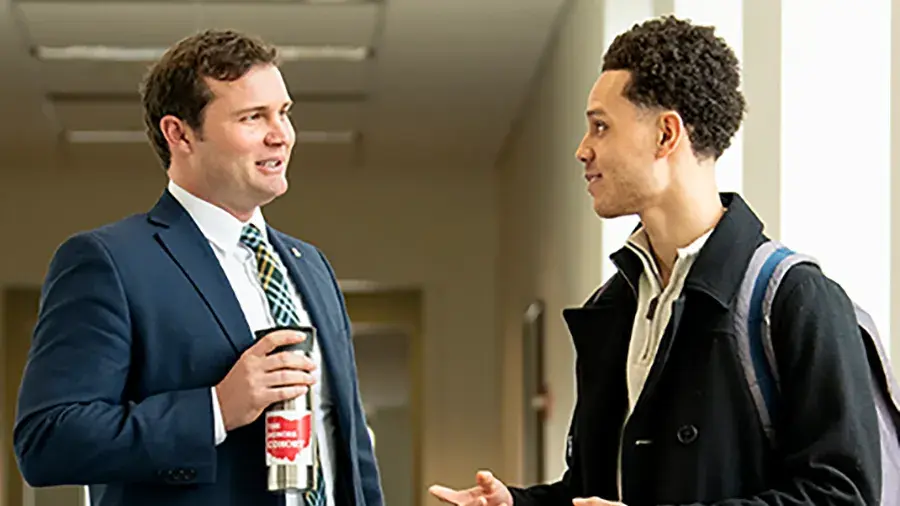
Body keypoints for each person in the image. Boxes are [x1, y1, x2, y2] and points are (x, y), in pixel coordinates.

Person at [429, 15, 881, 506]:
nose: (583, 150)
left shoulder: (797, 300)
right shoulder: (615, 303)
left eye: (600, 127)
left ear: (667, 135)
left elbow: (843, 496)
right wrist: (519, 504)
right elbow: (595, 491)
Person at [14, 29, 383, 506]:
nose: (281, 135)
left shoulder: (310, 265)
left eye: (284, 113)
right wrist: (216, 409)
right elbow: (47, 441)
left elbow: (349, 450)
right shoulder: (109, 262)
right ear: (179, 133)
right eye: (253, 117)